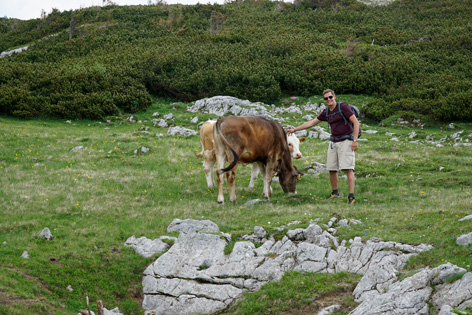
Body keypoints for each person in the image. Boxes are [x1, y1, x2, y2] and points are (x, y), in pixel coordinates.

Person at [286, 89, 360, 204]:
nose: (329, 100)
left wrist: (355, 140)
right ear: (324, 100)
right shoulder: (326, 112)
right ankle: (335, 193)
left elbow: (355, 122)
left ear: (334, 96)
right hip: (333, 142)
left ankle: (351, 196)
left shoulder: (343, 107)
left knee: (348, 168)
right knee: (331, 168)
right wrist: (295, 129)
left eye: (330, 97)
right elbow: (311, 123)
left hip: (346, 140)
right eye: (326, 98)